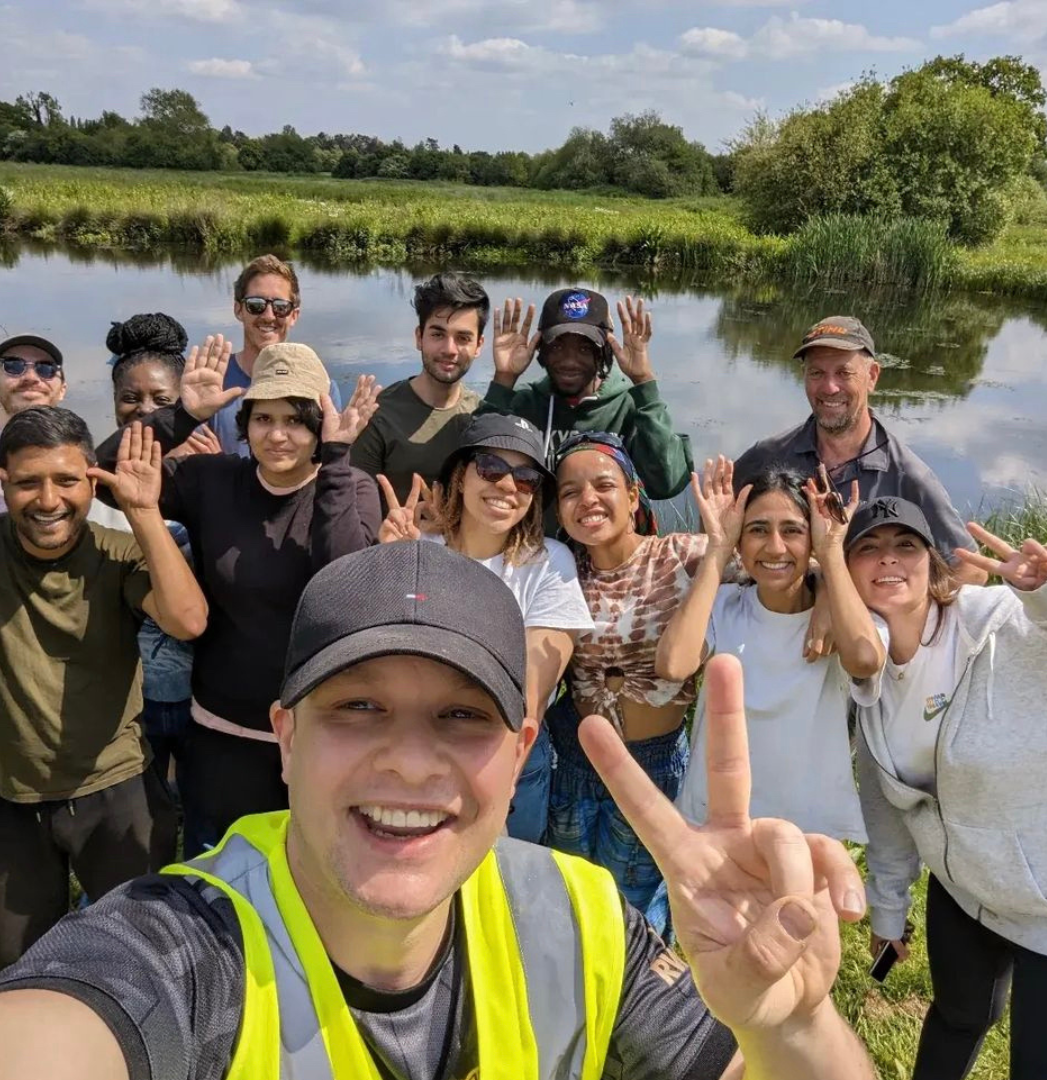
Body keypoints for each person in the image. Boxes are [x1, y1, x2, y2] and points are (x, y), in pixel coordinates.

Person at [0, 539, 878, 1080]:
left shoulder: (584, 922)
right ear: (287, 736)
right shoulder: (181, 947)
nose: (413, 761)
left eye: (462, 716)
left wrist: (794, 1025)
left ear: (523, 751)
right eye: (357, 707)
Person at [95, 335, 381, 856]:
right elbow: (105, 474)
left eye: (295, 420)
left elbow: (346, 584)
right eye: (263, 419)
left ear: (319, 425)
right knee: (217, 871)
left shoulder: (349, 486)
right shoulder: (211, 480)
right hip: (222, 731)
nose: (278, 436)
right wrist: (180, 415)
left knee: (312, 873)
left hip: (317, 731)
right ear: (244, 425)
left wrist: (337, 459)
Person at [846, 496, 1047, 1080]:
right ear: (846, 573)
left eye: (906, 546)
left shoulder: (1004, 619)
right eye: (868, 548)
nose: (888, 561)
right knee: (956, 1018)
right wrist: (889, 907)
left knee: (1045, 1067)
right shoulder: (865, 667)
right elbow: (887, 802)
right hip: (962, 889)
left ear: (934, 563)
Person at [0, 407, 207, 966]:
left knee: (141, 956)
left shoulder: (117, 554)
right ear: (4, 483)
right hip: (12, 798)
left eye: (67, 480)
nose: (48, 500)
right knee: (16, 964)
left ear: (92, 478)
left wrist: (143, 512)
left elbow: (187, 620)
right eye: (27, 482)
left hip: (117, 787)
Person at [378, 413, 592, 844]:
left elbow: (535, 681)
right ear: (460, 476)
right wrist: (391, 567)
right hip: (415, 744)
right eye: (491, 468)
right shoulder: (415, 547)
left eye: (526, 477)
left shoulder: (548, 564)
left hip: (508, 749)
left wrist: (507, 763)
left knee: (507, 885)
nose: (508, 486)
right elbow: (383, 659)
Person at [660, 461, 885, 841]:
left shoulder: (842, 617)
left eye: (793, 530)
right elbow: (673, 664)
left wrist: (831, 553)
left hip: (809, 828)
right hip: (716, 818)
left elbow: (865, 659)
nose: (775, 547)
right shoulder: (724, 605)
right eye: (757, 530)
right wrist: (718, 547)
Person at [545, 431, 703, 938]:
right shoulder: (558, 569)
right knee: (569, 892)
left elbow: (784, 565)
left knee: (634, 902)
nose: (587, 499)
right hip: (572, 759)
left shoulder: (681, 556)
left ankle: (636, 1004)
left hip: (651, 764)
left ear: (634, 497)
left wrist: (827, 603)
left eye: (603, 485)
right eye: (569, 492)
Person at [733, 315, 987, 586]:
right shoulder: (767, 456)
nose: (829, 387)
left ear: (872, 376)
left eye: (844, 373)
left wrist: (903, 613)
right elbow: (717, 529)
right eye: (817, 373)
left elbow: (971, 571)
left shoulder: (909, 476)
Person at [97, 313, 221, 794]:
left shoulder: (207, 477)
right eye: (131, 398)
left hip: (202, 693)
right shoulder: (94, 487)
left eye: (161, 401)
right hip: (126, 699)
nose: (145, 411)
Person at [482, 289, 693, 500]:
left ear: (603, 354)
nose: (569, 362)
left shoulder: (630, 406)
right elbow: (474, 471)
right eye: (557, 347)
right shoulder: (525, 403)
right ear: (541, 351)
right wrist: (504, 378)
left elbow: (665, 485)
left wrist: (644, 382)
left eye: (584, 350)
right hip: (537, 533)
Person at [352, 271, 487, 506]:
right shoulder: (379, 414)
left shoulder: (481, 415)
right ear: (419, 337)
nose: (449, 349)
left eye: (463, 338)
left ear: (478, 346)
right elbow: (354, 509)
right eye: (437, 334)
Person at [208, 254, 342, 455]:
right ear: (238, 309)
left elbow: (327, 460)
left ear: (294, 315)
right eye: (256, 305)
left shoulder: (322, 387)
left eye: (280, 307)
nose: (269, 316)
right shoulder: (210, 382)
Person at [0, 334, 68, 513]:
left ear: (62, 390)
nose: (31, 377)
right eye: (12, 366)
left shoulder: (86, 463)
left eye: (46, 368)